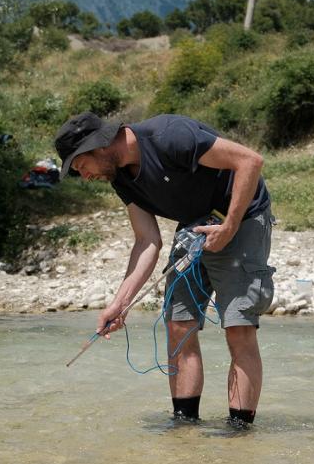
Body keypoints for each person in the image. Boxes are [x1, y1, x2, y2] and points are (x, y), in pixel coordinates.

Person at [54, 112, 274, 426]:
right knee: (178, 324)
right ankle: (184, 428)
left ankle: (238, 433)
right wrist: (120, 304)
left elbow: (250, 161)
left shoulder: (170, 135)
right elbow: (147, 241)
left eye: (80, 166)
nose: (85, 176)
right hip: (195, 224)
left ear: (97, 146)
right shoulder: (122, 178)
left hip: (242, 217)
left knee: (238, 326)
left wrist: (229, 227)